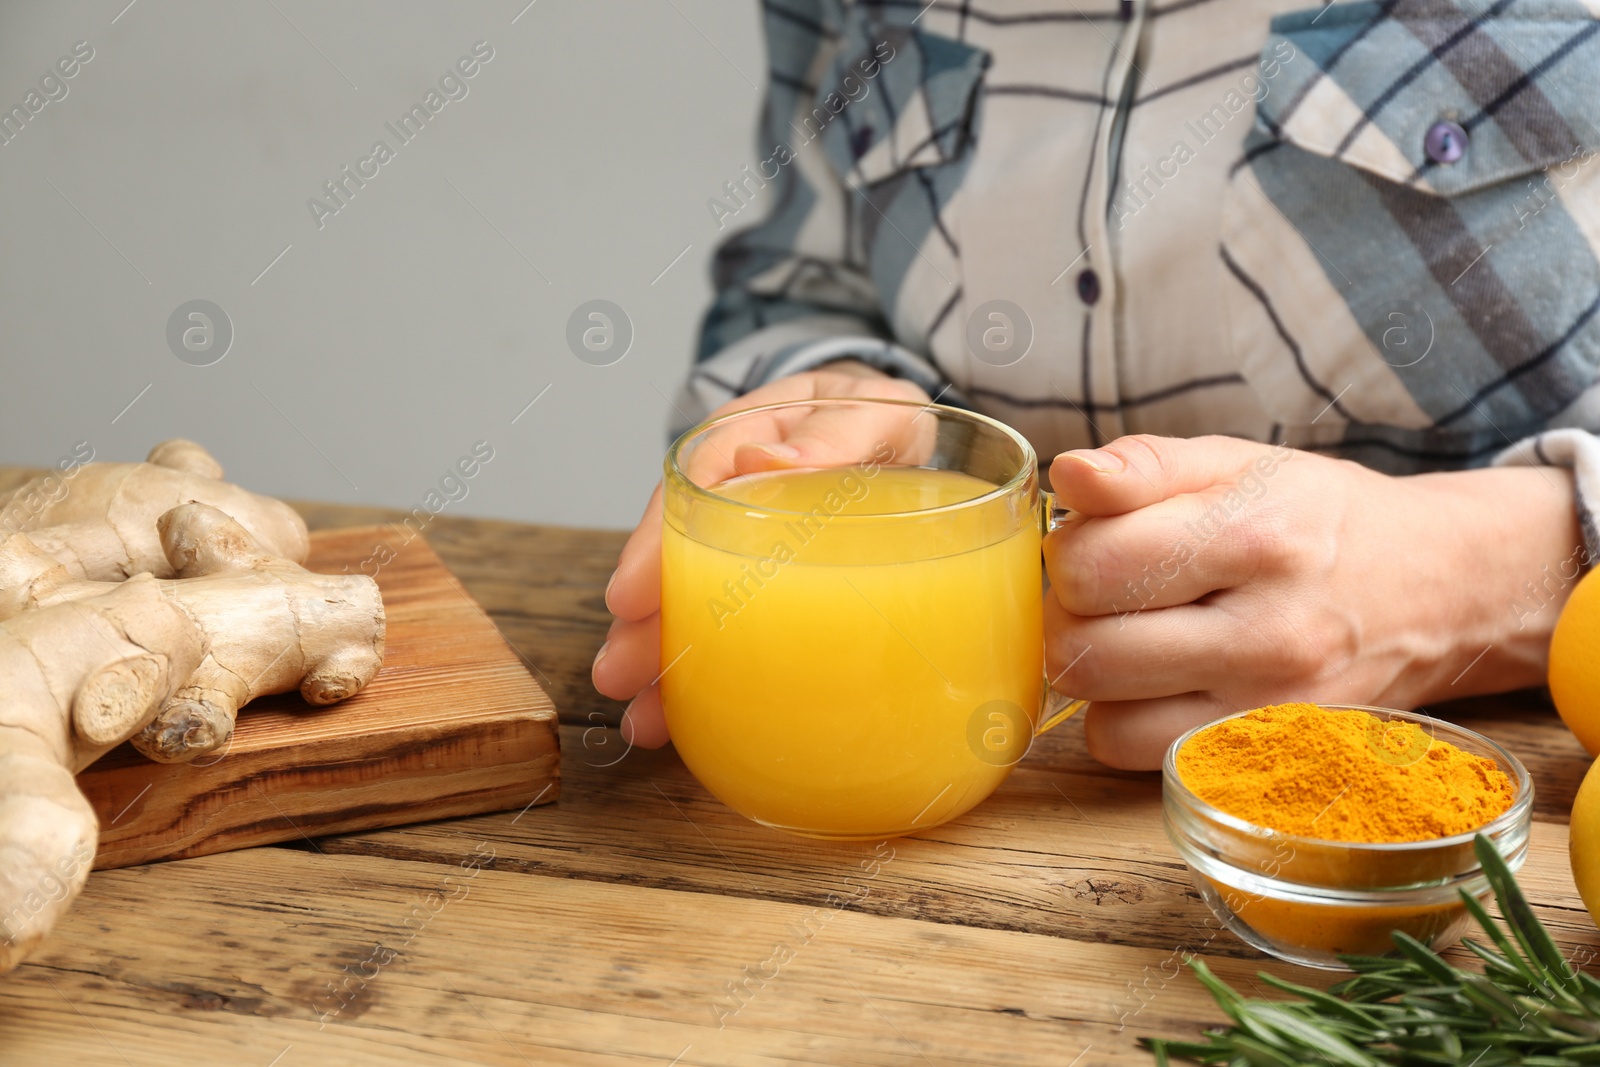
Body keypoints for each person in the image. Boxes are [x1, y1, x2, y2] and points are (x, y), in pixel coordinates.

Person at [595, 0, 1600, 770]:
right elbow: (797, 284)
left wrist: (1472, 575)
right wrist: (830, 386)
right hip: (988, 787)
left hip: (1489, 795)